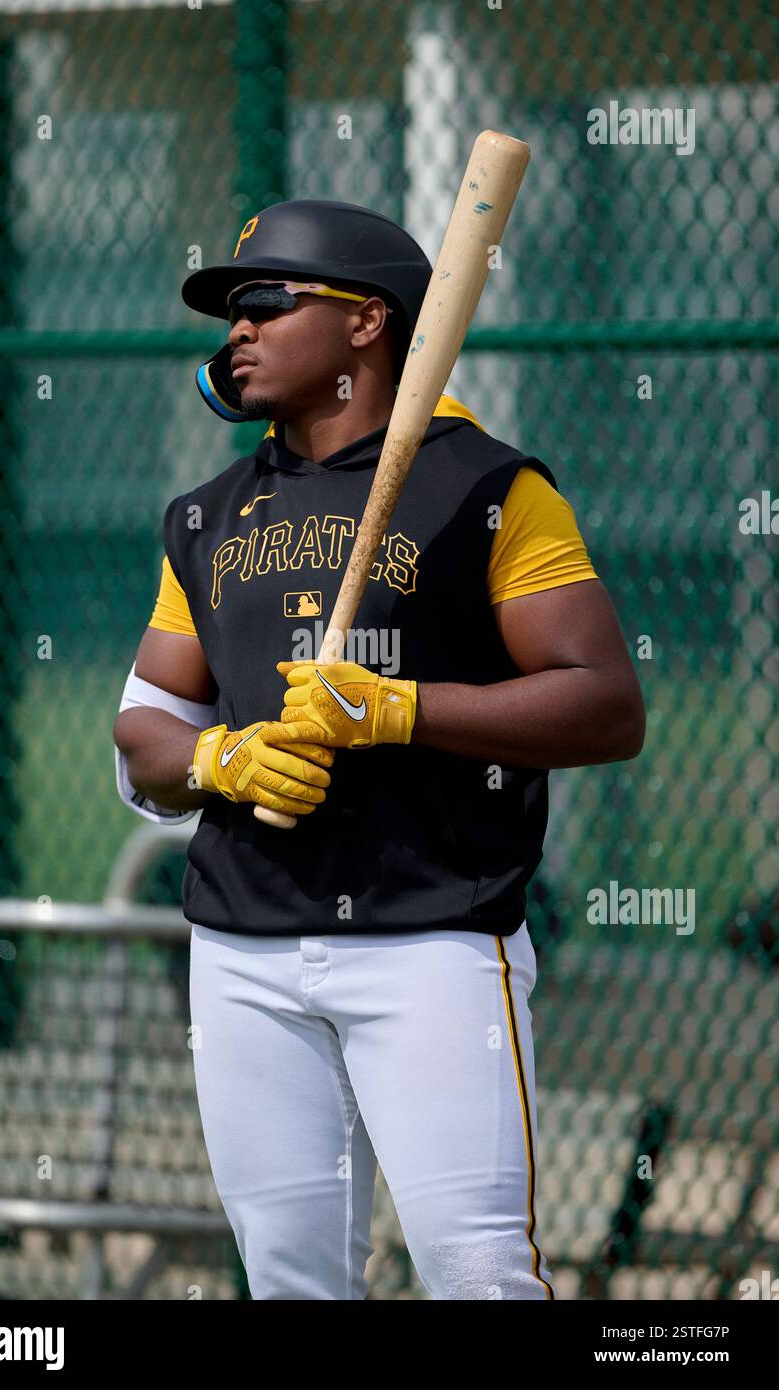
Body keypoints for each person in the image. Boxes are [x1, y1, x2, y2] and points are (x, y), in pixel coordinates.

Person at [113, 198, 646, 1300]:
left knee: (479, 1275)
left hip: (431, 939)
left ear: (367, 322)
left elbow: (603, 704)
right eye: (228, 311)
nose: (236, 331)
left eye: (264, 301)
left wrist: (400, 709)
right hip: (243, 948)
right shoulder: (209, 515)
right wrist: (219, 761)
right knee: (292, 1281)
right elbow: (143, 732)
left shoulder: (488, 489)